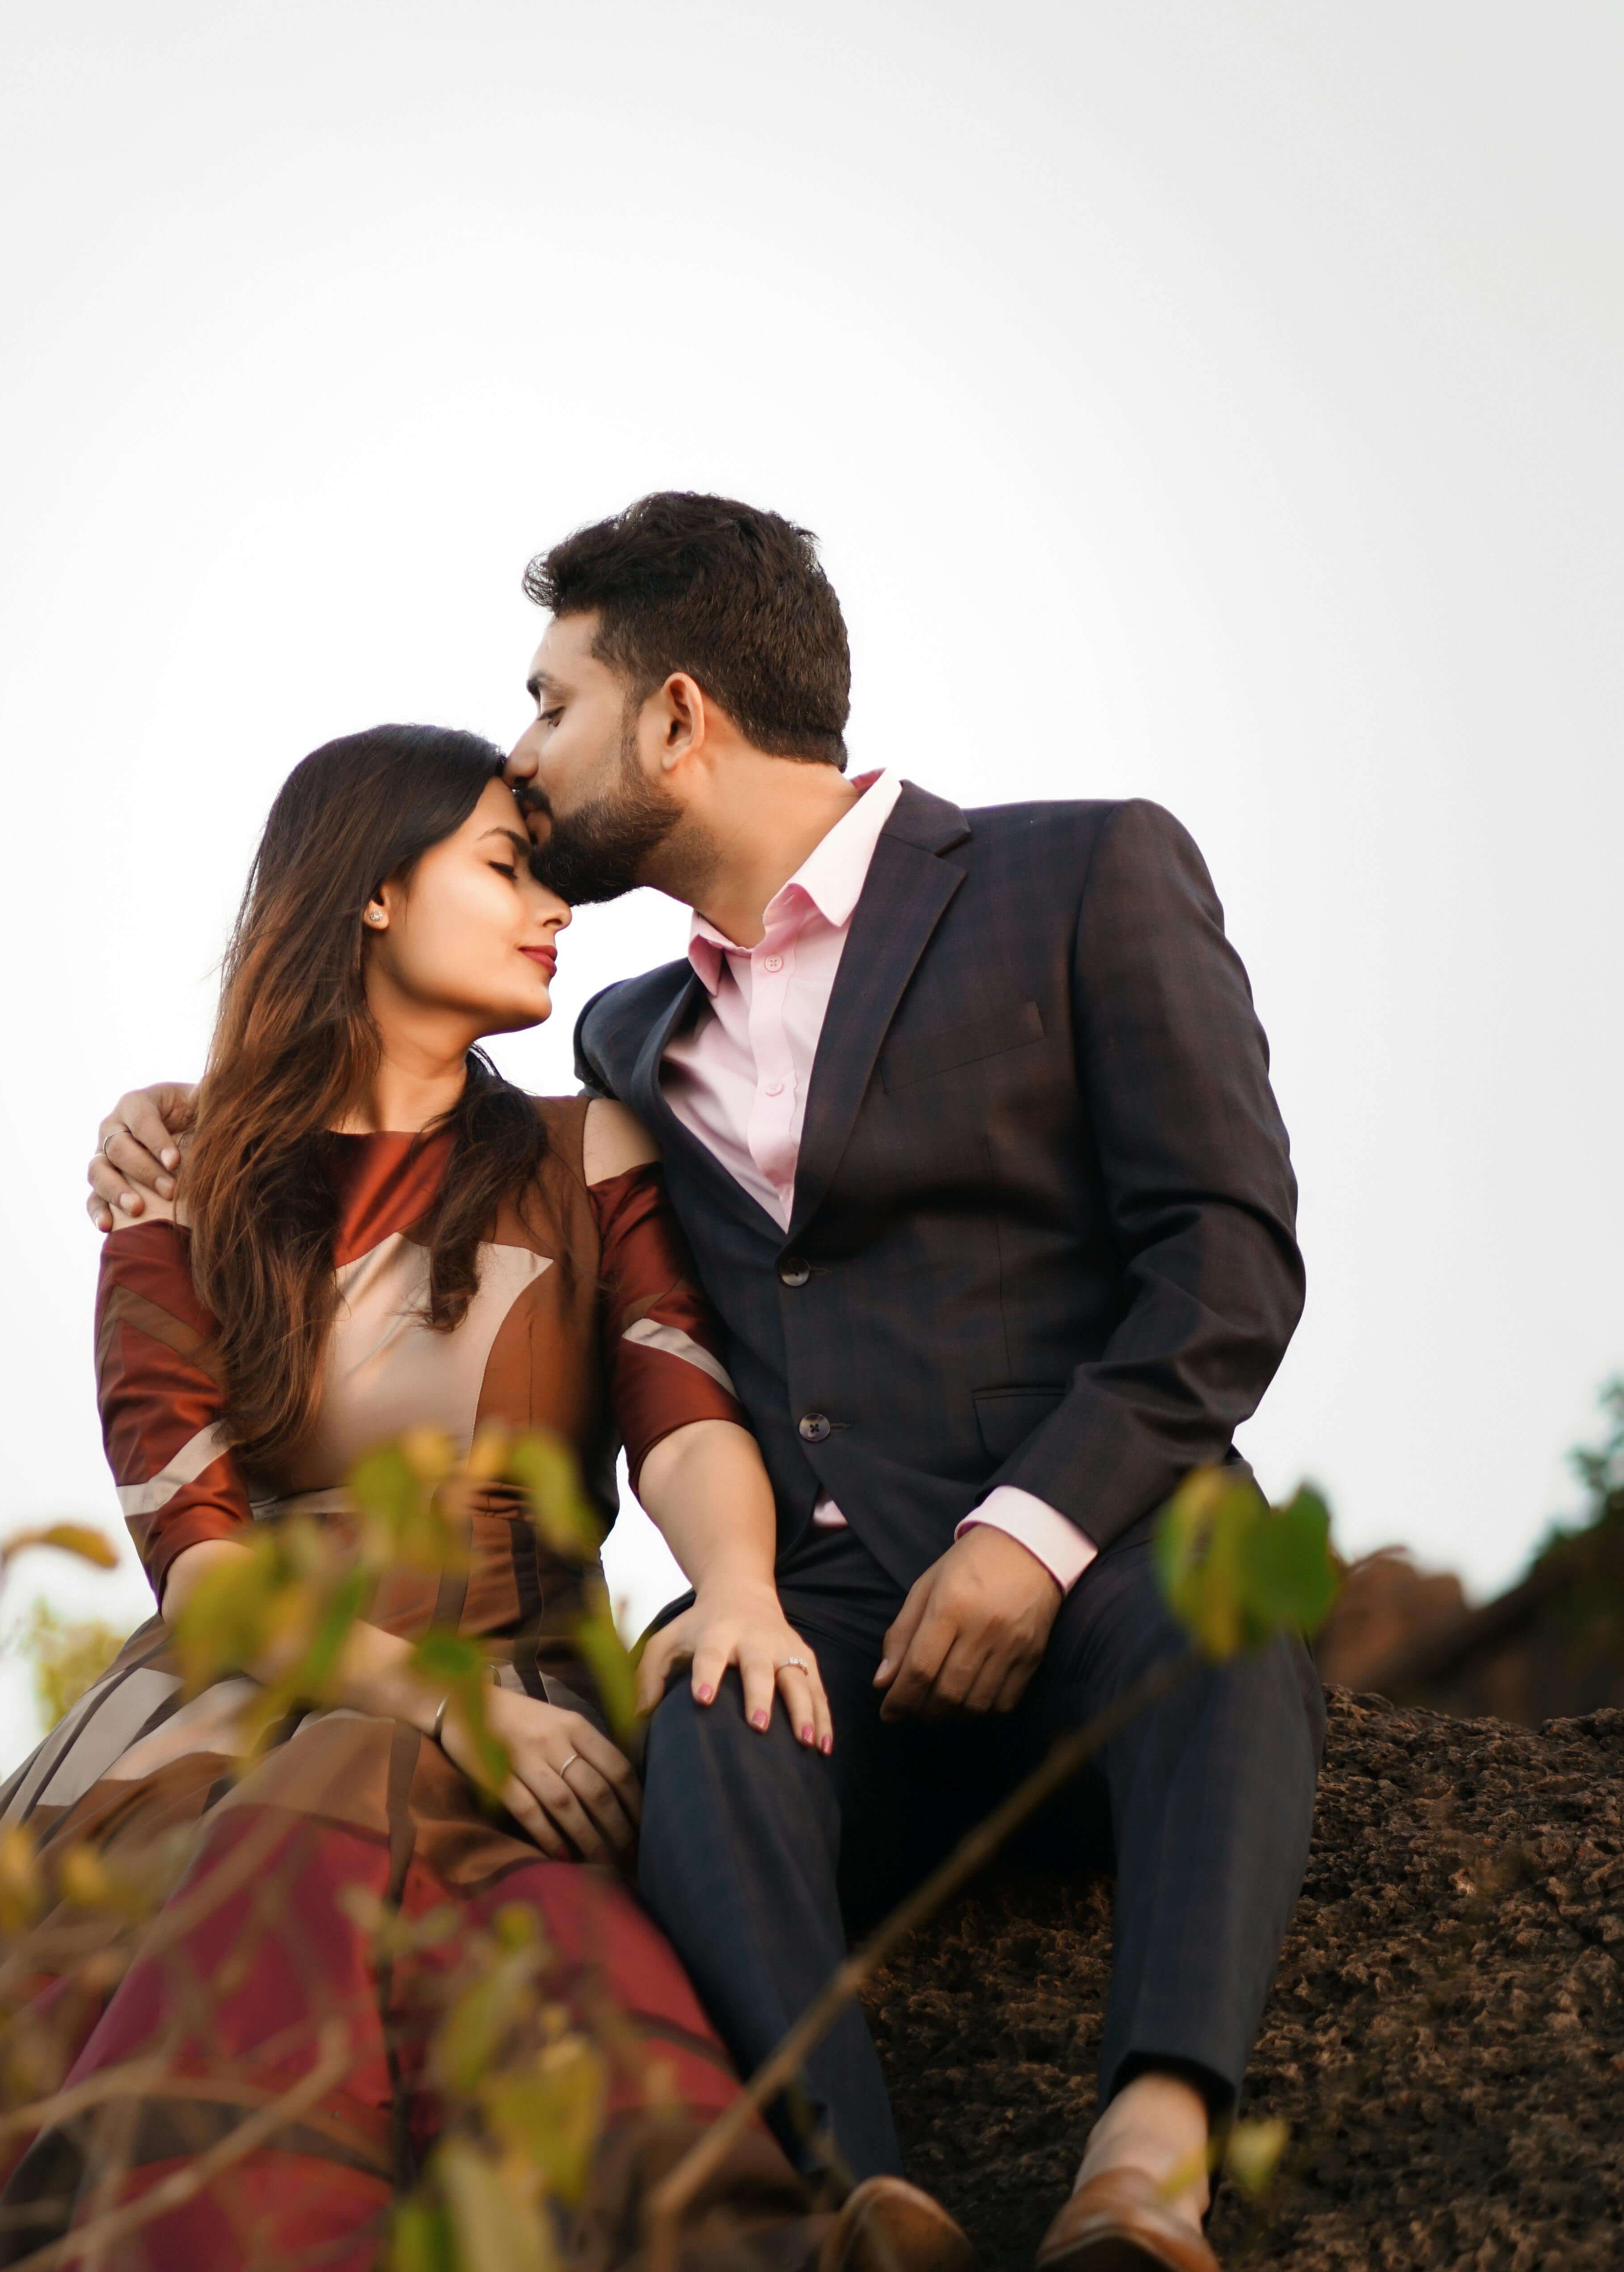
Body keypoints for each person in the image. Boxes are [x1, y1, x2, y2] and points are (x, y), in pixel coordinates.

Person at [87, 495, 1320, 2272]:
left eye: (546, 703)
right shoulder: (619, 1040)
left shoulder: (1081, 875)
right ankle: (845, 2193)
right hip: (819, 1610)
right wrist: (200, 1114)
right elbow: (421, 1139)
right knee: (707, 1726)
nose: (524, 755)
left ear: (675, 716)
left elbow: (1223, 1257)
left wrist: (1025, 1538)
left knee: (1222, 1609)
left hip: (1093, 1559)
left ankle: (1144, 2161)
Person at [0, 726, 964, 2271]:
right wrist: (452, 1715)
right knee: (364, 1874)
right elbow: (200, 1566)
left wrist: (736, 1587)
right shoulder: (179, 1196)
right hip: (233, 1713)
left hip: (528, 1679)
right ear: (372, 894)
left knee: (539, 1937)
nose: (557, 906)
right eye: (503, 865)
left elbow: (680, 1412)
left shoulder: (583, 1146)